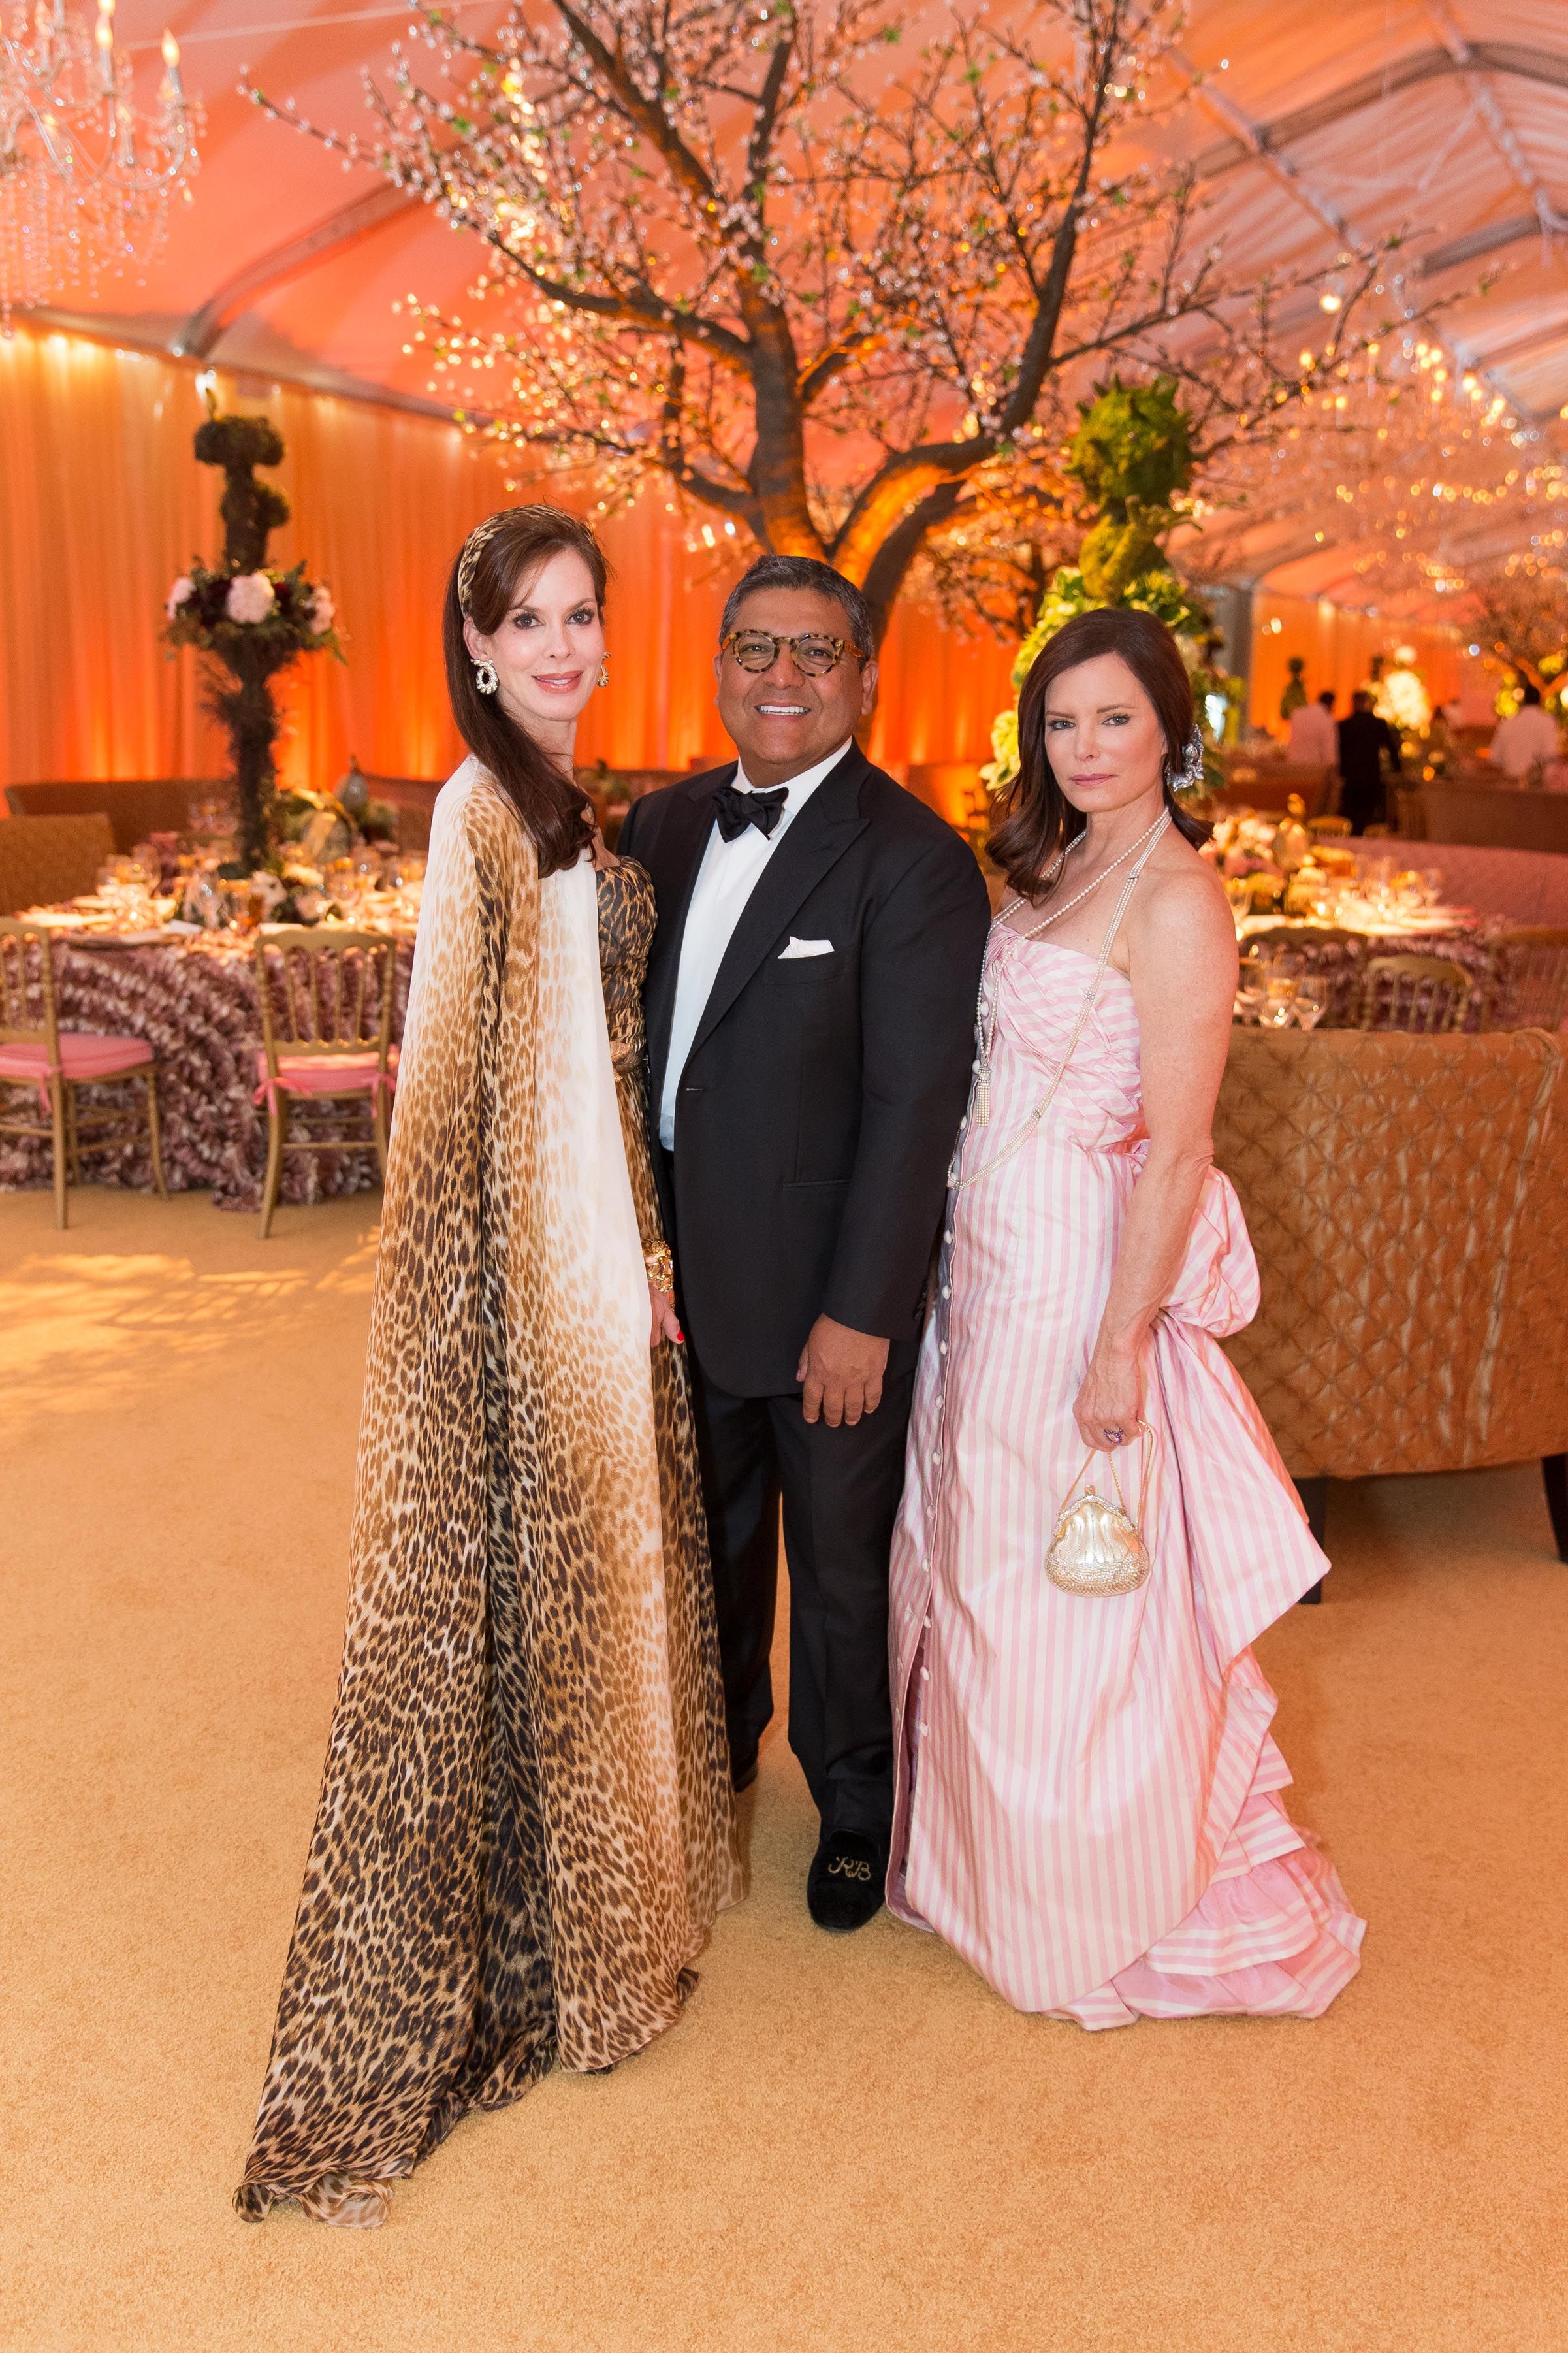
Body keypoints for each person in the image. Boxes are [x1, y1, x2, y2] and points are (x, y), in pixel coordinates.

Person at [236, 506, 739, 2228]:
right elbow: (445, 1081)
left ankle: (611, 1934)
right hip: (533, 1271)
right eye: (528, 621)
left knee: (597, 1598)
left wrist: (646, 1258)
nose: (562, 647)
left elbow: (603, 1063)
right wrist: (493, 1301)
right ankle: (576, 1962)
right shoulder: (477, 812)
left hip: (604, 1251)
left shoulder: (566, 802)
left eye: (581, 614)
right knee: (557, 1604)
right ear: (473, 644)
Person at [886, 606, 1364, 2026]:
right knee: (977, 1553)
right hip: (980, 1259)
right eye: (1060, 721)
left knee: (1065, 1581)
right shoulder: (1049, 864)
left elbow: (1180, 1149)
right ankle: (986, 1867)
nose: (1084, 747)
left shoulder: (1178, 901)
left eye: (1114, 718)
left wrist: (1117, 1346)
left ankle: (1093, 1893)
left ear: (1170, 731)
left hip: (1075, 1274)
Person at [619, 557, 990, 1934]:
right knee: (702, 1545)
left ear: (864, 677)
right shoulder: (659, 825)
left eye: (815, 652)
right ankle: (712, 1756)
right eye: (756, 647)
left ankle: (853, 1802)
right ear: (718, 665)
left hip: (828, 1295)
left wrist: (863, 1311)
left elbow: (913, 1106)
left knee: (840, 1568)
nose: (783, 675)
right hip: (679, 1276)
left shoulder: (915, 858)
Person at [1336, 689, 1401, 832]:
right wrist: (1397, 769)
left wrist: (1340, 772)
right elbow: (1391, 748)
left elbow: (1339, 751)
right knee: (1368, 814)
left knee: (1351, 814)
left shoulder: (1345, 725)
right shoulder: (1377, 724)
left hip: (1351, 776)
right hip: (1371, 775)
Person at [1488, 681, 1560, 780]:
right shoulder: (1548, 722)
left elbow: (1495, 758)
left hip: (1511, 782)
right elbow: (1551, 754)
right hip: (1538, 783)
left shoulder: (1507, 724)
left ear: (1523, 701)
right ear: (1540, 701)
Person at [1287, 688, 1336, 765]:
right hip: (1314, 766)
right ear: (1331, 704)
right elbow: (1329, 750)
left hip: (1294, 763)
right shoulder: (1327, 719)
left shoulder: (1297, 714)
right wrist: (1333, 766)